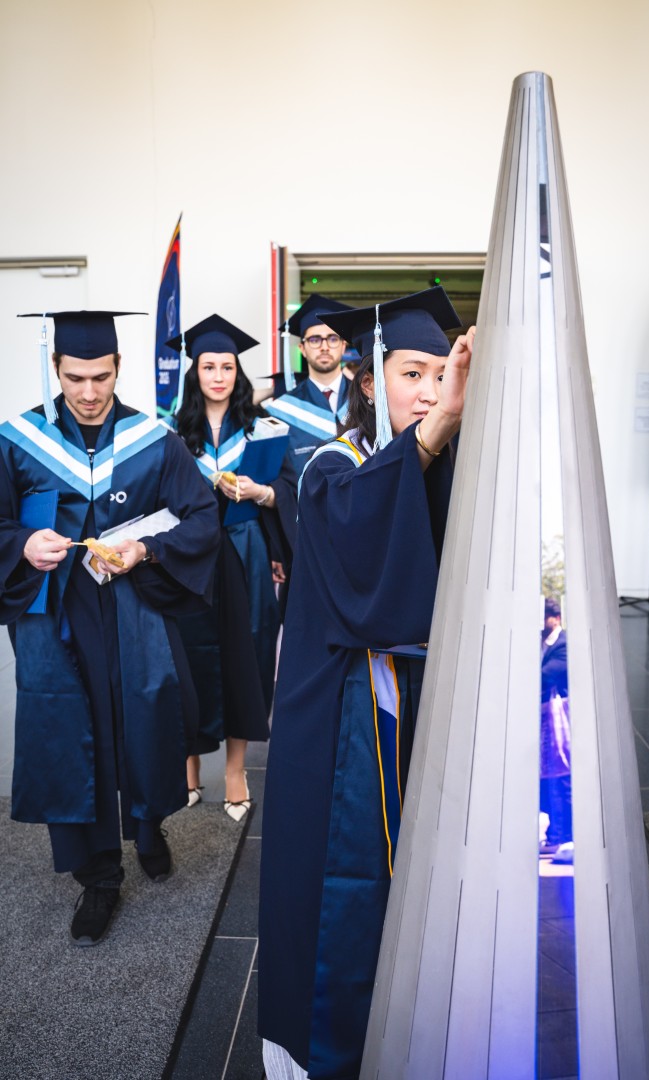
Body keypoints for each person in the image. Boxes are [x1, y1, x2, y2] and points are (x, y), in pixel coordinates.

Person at [258, 287, 475, 1080]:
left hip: (423, 707)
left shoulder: (450, 464)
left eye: (436, 376)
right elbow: (356, 528)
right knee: (345, 883)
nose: (425, 391)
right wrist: (440, 426)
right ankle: (328, 1053)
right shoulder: (331, 467)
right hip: (349, 715)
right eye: (410, 373)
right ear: (367, 379)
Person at [0, 310, 220, 947]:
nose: (89, 393)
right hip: (56, 618)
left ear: (118, 369)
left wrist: (146, 552)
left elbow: (200, 516)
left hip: (133, 607)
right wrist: (21, 544)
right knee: (71, 729)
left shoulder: (151, 439)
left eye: (100, 377)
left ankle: (149, 825)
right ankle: (98, 876)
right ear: (56, 371)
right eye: (75, 378)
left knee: (143, 715)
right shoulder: (19, 441)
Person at [168, 314, 297, 821]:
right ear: (195, 374)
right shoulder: (171, 435)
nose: (218, 375)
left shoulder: (263, 431)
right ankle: (189, 766)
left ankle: (238, 769)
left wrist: (259, 491)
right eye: (208, 366)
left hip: (246, 552)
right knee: (189, 656)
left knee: (249, 654)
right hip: (191, 559)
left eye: (227, 366)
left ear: (237, 374)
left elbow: (285, 491)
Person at [265, 294, 354, 477]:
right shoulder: (282, 410)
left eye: (332, 338)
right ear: (302, 349)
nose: (324, 347)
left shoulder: (368, 399)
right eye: (314, 340)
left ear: (343, 346)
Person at [540, 597, 573, 861]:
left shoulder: (563, 645)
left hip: (559, 720)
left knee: (562, 776)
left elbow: (546, 675)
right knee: (546, 778)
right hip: (544, 719)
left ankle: (565, 837)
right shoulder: (542, 642)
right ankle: (554, 833)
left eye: (544, 618)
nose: (540, 624)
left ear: (556, 618)